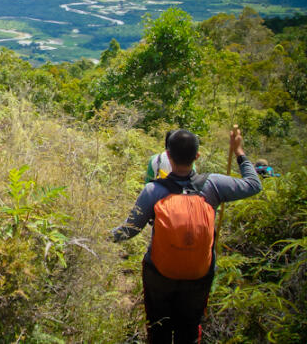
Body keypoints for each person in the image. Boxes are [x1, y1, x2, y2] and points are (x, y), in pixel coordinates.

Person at [112, 128, 262, 344]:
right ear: (197, 156)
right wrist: (238, 150)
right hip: (199, 275)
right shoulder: (214, 185)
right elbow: (254, 185)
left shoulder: (153, 191)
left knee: (158, 326)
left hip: (159, 275)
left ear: (168, 155)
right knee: (189, 330)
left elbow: (129, 230)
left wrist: (99, 237)